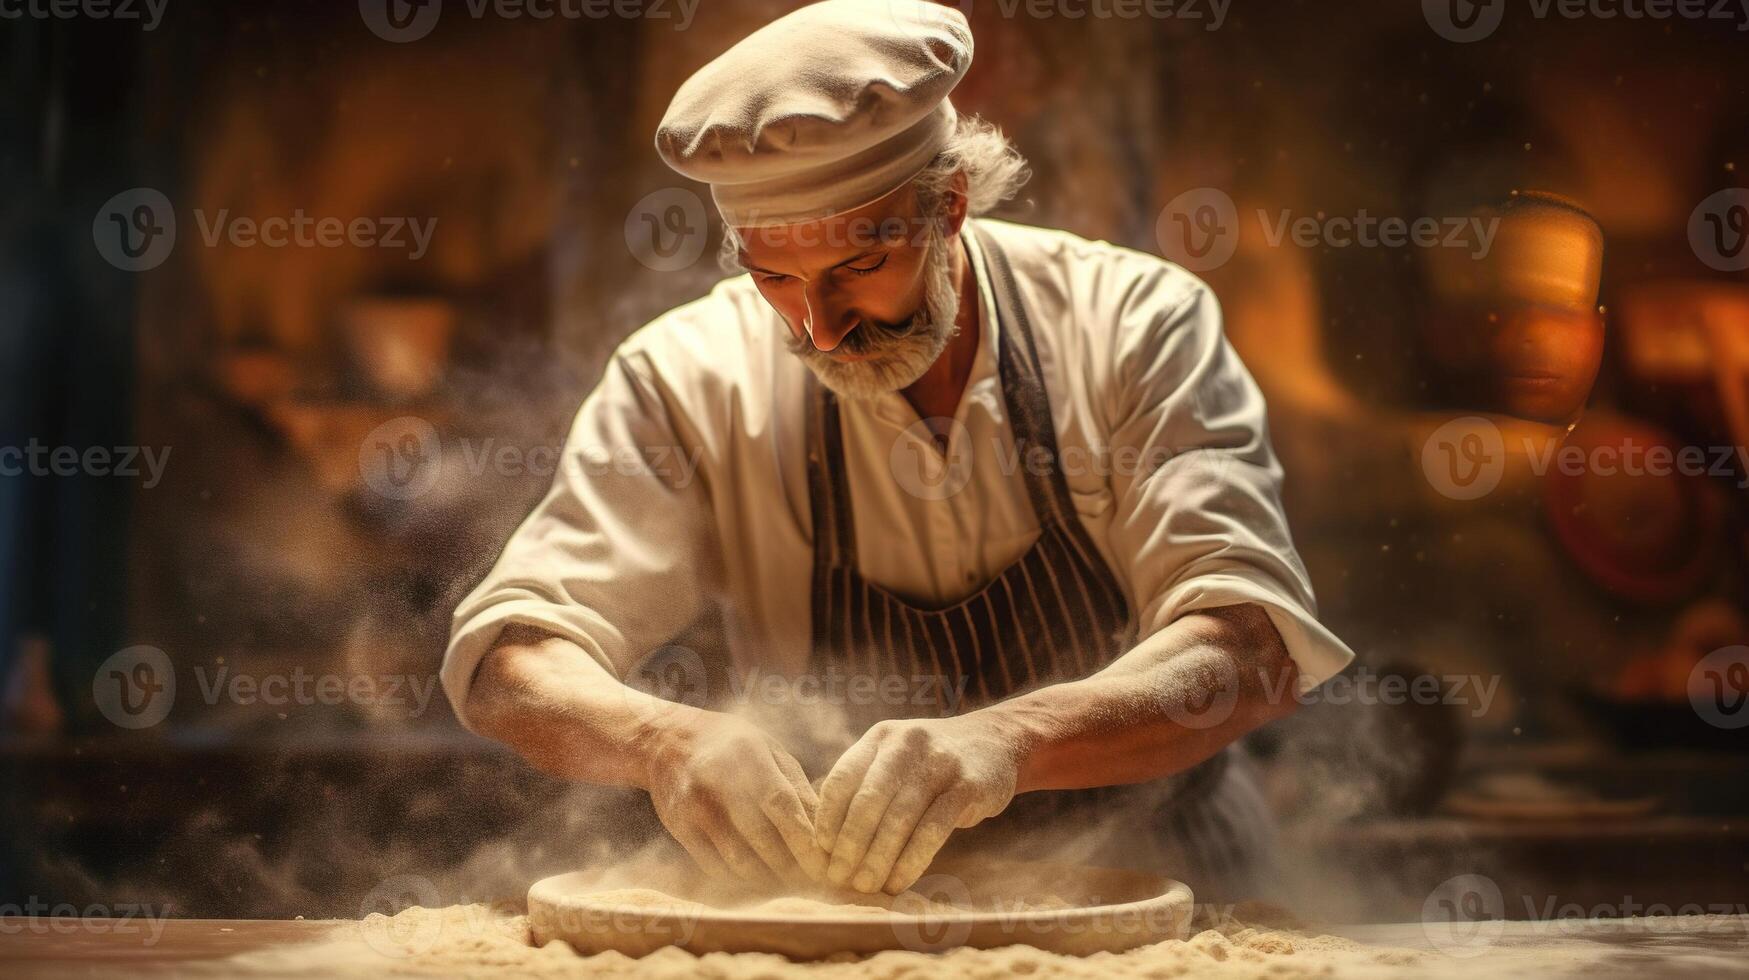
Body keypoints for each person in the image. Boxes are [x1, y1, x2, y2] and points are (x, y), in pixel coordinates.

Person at [441, 0, 1353, 901]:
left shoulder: (1133, 326)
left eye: (857, 268)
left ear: (948, 204)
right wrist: (663, 743)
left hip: (1170, 882)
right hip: (852, 911)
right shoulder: (686, 378)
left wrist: (1009, 740)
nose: (821, 329)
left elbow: (1251, 644)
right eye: (775, 278)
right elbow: (511, 660)